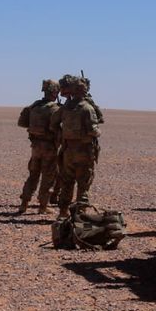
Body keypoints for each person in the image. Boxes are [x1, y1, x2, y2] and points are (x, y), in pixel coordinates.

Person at [55, 74, 101, 212]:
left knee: (67, 182)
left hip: (67, 150)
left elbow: (54, 123)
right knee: (83, 183)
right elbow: (93, 130)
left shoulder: (66, 107)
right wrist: (99, 132)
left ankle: (63, 212)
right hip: (84, 151)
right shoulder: (87, 108)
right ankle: (80, 215)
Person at [17, 79, 62, 215]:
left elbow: (22, 122)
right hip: (49, 147)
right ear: (55, 92)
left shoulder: (34, 106)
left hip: (35, 147)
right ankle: (43, 206)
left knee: (33, 175)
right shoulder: (55, 109)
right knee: (48, 177)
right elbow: (59, 129)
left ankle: (23, 204)